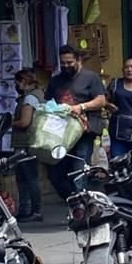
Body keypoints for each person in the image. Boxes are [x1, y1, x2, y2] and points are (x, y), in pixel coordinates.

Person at [45, 44, 107, 199]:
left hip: (83, 132)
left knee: (78, 170)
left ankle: (82, 205)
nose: (66, 66)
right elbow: (47, 102)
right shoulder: (56, 80)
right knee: (55, 173)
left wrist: (81, 107)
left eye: (69, 62)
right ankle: (74, 200)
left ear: (78, 60)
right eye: (63, 63)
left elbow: (101, 100)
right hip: (59, 134)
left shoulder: (91, 78)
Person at [12, 69, 44, 221]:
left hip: (25, 142)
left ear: (23, 81)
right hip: (33, 141)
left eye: (17, 82)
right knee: (29, 177)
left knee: (27, 178)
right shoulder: (39, 94)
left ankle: (33, 210)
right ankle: (29, 210)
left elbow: (25, 122)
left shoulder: (29, 99)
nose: (16, 85)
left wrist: (10, 124)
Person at [105, 57, 132, 159]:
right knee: (118, 160)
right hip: (118, 130)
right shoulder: (115, 84)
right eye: (126, 67)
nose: (129, 70)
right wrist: (108, 105)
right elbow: (104, 100)